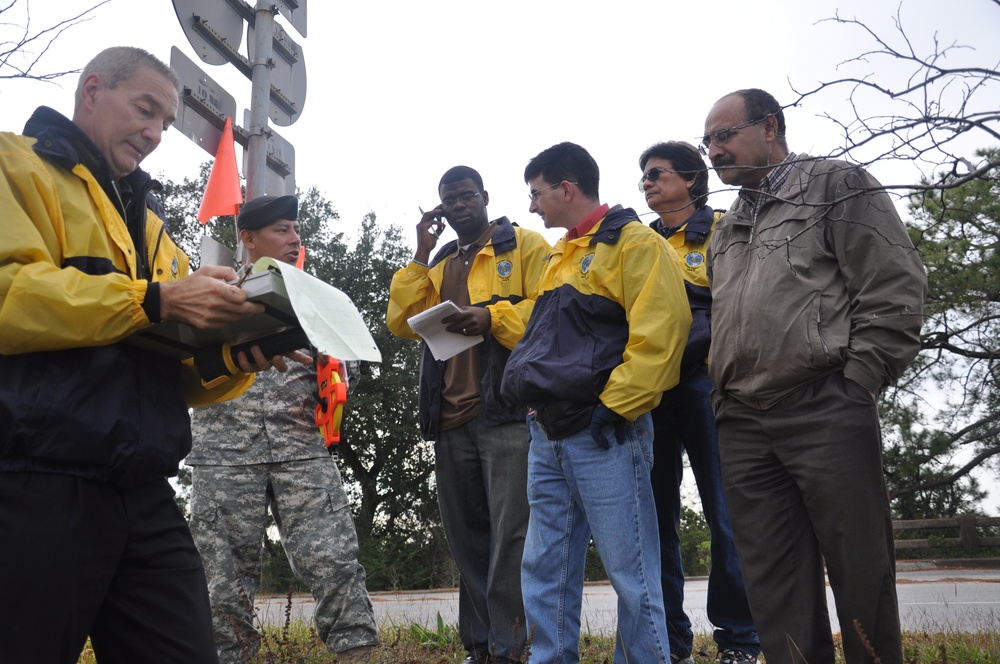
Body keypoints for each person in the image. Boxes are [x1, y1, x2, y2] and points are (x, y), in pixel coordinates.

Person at [0, 47, 297, 664]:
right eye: (145, 109)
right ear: (91, 90)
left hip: (145, 491)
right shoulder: (14, 165)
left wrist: (237, 356)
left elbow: (169, 368)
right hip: (35, 479)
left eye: (165, 120)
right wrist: (158, 298)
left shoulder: (154, 228)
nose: (156, 133)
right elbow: (10, 296)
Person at [702, 88, 927, 664]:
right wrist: (724, 400)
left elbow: (893, 284)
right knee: (773, 586)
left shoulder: (835, 185)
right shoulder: (726, 227)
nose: (714, 151)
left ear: (771, 126)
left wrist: (861, 379)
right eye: (708, 142)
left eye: (724, 135)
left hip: (826, 402)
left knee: (860, 570)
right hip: (744, 422)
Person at [501, 142, 692, 664]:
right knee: (544, 566)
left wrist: (617, 407)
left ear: (566, 188)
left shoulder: (636, 243)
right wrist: (485, 317)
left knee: (631, 572)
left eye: (537, 194)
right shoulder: (560, 254)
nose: (533, 206)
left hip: (604, 431)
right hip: (547, 432)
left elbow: (664, 330)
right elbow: (539, 331)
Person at [188, 195, 379, 664]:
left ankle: (357, 653)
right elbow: (186, 362)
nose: (294, 239)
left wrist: (331, 370)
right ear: (248, 239)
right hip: (223, 455)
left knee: (334, 561)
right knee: (222, 578)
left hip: (301, 450)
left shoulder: (320, 298)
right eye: (281, 230)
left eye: (296, 230)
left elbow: (343, 371)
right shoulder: (211, 292)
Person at [386, 166, 551, 664]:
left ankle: (512, 646)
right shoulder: (437, 262)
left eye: (465, 195)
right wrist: (419, 250)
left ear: (484, 196)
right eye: (447, 199)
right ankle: (481, 647)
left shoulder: (523, 246)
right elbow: (400, 322)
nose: (458, 204)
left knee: (512, 536)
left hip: (505, 413)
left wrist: (493, 315)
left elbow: (550, 315)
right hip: (451, 417)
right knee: (467, 539)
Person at [639, 141, 761, 664]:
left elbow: (743, 299)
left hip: (707, 383)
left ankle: (738, 638)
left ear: (691, 178)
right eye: (642, 176)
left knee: (726, 511)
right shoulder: (637, 241)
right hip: (650, 389)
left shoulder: (725, 227)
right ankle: (669, 640)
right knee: (654, 517)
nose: (646, 182)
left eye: (656, 173)